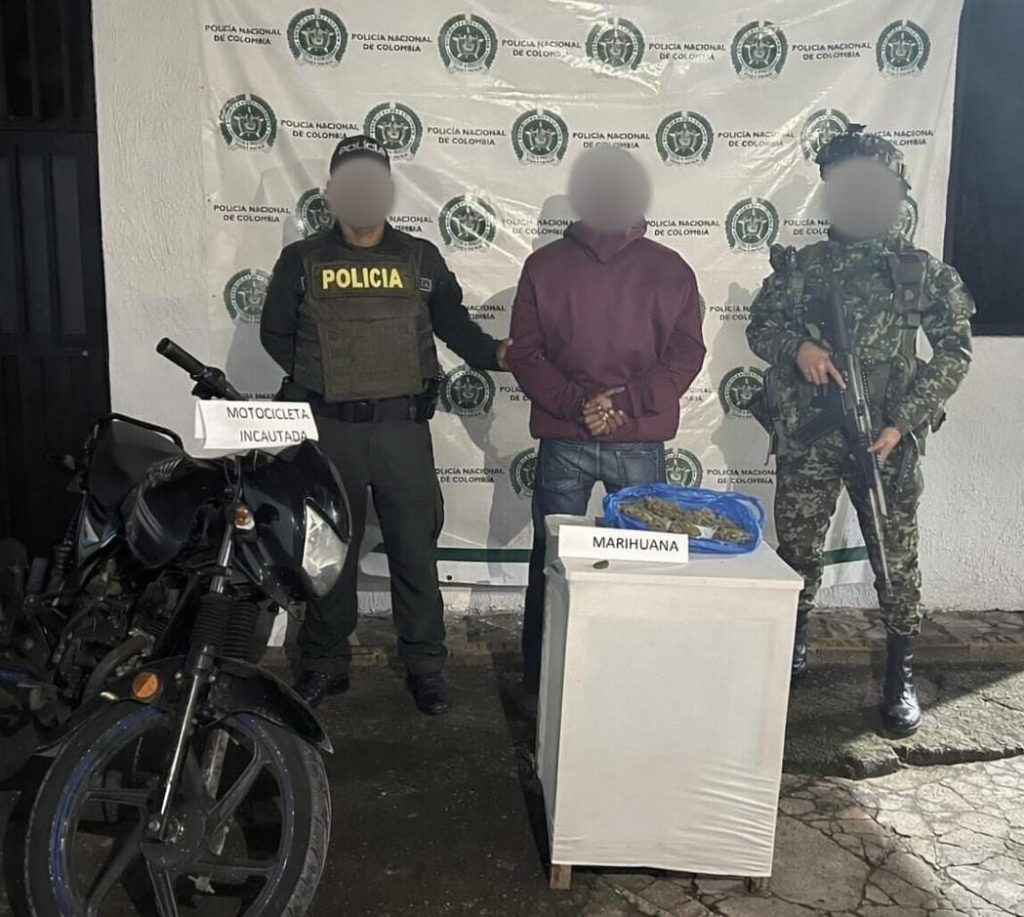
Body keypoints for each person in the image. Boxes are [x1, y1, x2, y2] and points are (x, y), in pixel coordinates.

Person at [260, 135, 510, 714]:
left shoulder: (420, 259)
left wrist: (498, 354)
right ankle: (325, 663)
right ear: (331, 192)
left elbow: (454, 326)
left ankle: (425, 666)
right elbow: (276, 335)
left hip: (401, 429)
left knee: (414, 552)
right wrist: (328, 377)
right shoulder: (301, 261)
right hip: (331, 429)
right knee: (329, 551)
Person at [746, 125, 974, 737]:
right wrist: (798, 349)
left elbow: (955, 352)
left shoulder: (922, 273)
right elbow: (761, 327)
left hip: (885, 440)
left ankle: (899, 674)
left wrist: (903, 421)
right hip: (810, 434)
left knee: (894, 560)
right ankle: (790, 652)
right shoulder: (803, 268)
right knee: (797, 551)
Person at [506, 147, 707, 695]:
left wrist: (581, 405)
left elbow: (524, 354)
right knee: (643, 564)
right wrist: (625, 404)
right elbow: (686, 356)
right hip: (636, 439)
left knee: (552, 563)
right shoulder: (671, 268)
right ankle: (634, 677)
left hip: (565, 438)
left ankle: (540, 679)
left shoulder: (543, 266)